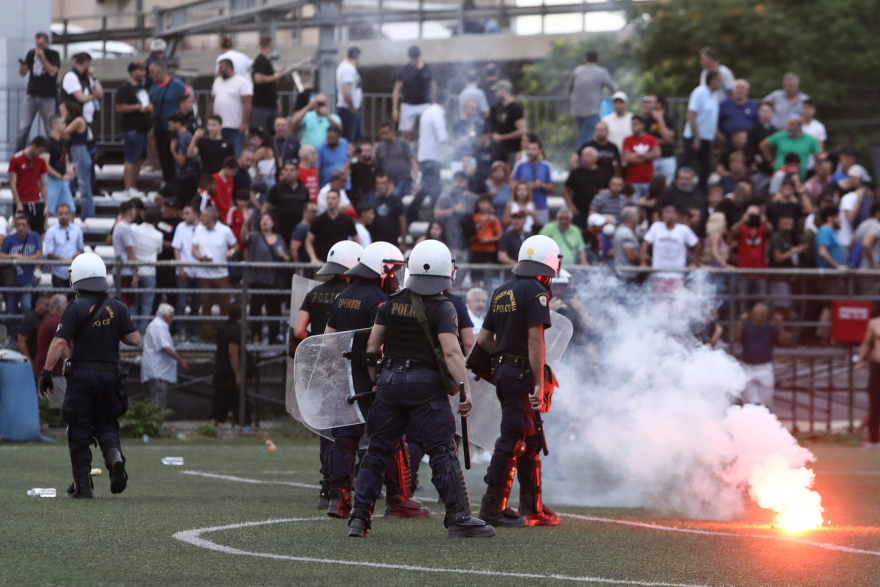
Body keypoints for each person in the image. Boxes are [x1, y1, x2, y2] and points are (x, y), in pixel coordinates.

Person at [346, 240, 492, 537]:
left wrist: (377, 378)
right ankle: (459, 519)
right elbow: (452, 353)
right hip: (426, 386)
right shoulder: (443, 306)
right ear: (444, 270)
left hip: (389, 383)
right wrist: (465, 391)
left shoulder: (391, 302)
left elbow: (372, 348)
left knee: (376, 452)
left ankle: (360, 518)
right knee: (442, 451)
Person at [323, 242, 429, 522]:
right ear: (382, 269)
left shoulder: (343, 296)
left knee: (344, 440)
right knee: (392, 438)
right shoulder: (379, 300)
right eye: (393, 270)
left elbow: (329, 340)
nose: (396, 277)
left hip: (345, 378)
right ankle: (398, 499)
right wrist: (375, 379)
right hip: (371, 381)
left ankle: (338, 498)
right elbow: (378, 346)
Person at [472, 234, 562, 528]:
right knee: (514, 434)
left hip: (504, 372)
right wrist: (537, 382)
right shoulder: (536, 291)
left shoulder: (501, 290)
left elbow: (484, 340)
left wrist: (502, 363)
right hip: (521, 373)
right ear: (549, 261)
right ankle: (492, 509)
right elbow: (535, 340)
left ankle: (532, 507)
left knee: (532, 435)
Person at [39, 253, 141, 499]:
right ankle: (114, 457)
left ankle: (83, 486)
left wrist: (46, 371)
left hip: (82, 376)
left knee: (79, 427)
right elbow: (135, 340)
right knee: (106, 423)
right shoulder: (118, 306)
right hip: (110, 376)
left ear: (78, 277)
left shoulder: (75, 307)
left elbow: (59, 341)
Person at [291, 240, 363, 508]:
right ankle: (355, 484)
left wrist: (317, 345)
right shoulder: (353, 294)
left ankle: (327, 486)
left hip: (322, 367)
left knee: (327, 426)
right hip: (350, 369)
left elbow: (299, 331)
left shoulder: (315, 293)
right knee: (353, 427)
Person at [243, 212, 290, 343]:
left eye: (268, 219)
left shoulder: (279, 238)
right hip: (257, 279)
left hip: (273, 280)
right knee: (255, 309)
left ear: (273, 223)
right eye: (262, 219)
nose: (264, 221)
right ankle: (255, 337)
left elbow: (287, 257)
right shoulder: (255, 236)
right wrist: (245, 222)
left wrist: (284, 257)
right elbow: (244, 239)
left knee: (274, 310)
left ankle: (273, 337)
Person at [192, 206, 239, 337]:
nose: (200, 218)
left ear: (211, 218)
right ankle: (208, 334)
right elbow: (194, 249)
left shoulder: (224, 230)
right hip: (204, 274)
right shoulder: (198, 229)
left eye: (203, 216)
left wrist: (231, 251)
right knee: (206, 305)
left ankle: (224, 332)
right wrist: (201, 258)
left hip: (221, 273)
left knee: (224, 304)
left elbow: (236, 244)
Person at [641, 205, 701, 293]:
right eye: (664, 212)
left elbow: (697, 244)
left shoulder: (683, 230)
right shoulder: (656, 227)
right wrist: (643, 262)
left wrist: (694, 262)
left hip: (677, 275)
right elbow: (645, 243)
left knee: (678, 304)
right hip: (659, 275)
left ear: (676, 215)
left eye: (668, 212)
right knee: (660, 304)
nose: (665, 215)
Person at [736, 304, 786, 409]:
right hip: (748, 367)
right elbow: (737, 338)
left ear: (765, 316)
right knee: (748, 403)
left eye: (760, 315)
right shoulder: (747, 326)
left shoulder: (771, 327)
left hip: (765, 368)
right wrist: (741, 322)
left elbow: (783, 342)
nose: (757, 318)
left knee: (766, 402)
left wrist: (780, 325)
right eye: (755, 314)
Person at [16, 32, 60, 152]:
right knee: (23, 127)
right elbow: (23, 73)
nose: (39, 46)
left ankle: (52, 154)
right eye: (37, 43)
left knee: (50, 128)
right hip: (31, 95)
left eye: (41, 43)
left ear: (47, 43)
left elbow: (52, 72)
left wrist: (42, 58)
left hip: (48, 96)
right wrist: (22, 68)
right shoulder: (31, 53)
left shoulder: (53, 54)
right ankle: (18, 155)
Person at [565, 50, 617, 151]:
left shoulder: (577, 71)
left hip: (576, 110)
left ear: (585, 60)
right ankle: (582, 162)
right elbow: (614, 88)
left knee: (581, 136)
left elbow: (568, 88)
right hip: (591, 111)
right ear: (597, 61)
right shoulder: (601, 72)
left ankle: (580, 159)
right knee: (586, 139)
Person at [1, 214, 42, 340]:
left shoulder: (34, 236)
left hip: (27, 278)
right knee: (11, 309)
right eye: (18, 225)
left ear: (28, 226)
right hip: (12, 280)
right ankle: (13, 336)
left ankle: (25, 335)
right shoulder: (10, 238)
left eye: (23, 225)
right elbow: (1, 254)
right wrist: (14, 257)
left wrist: (24, 258)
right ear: (15, 225)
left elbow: (39, 254)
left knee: (26, 306)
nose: (21, 227)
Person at [683, 70, 723, 193]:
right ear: (712, 81)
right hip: (695, 136)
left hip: (707, 138)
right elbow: (691, 115)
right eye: (719, 80)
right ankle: (682, 188)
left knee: (706, 167)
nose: (721, 84)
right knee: (687, 164)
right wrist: (696, 137)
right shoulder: (699, 93)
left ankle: (700, 191)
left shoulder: (714, 95)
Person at [148, 61, 189, 183]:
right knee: (163, 158)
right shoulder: (153, 88)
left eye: (151, 72)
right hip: (159, 128)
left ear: (159, 71)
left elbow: (187, 104)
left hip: (173, 130)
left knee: (173, 157)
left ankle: (176, 183)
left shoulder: (178, 85)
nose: (149, 75)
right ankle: (168, 182)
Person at [142, 304, 188, 410]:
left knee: (154, 400)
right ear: (164, 316)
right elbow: (165, 347)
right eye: (171, 316)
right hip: (158, 371)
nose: (172, 320)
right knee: (157, 401)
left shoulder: (157, 325)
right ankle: (156, 424)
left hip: (157, 370)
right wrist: (180, 360)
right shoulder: (159, 326)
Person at [211, 302, 251, 425]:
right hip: (229, 373)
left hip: (220, 371)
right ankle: (245, 429)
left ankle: (210, 428)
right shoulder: (236, 331)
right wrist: (238, 375)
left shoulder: (223, 329)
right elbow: (232, 352)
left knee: (218, 406)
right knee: (240, 405)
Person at [115, 62, 152, 195]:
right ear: (133, 72)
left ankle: (133, 186)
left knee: (140, 158)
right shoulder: (125, 88)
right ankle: (127, 187)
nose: (144, 73)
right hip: (131, 128)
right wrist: (137, 107)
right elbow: (119, 107)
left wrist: (149, 108)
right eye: (141, 71)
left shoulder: (142, 88)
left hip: (143, 128)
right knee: (131, 158)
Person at [731, 205, 773, 315]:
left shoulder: (763, 229)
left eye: (755, 215)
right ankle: (744, 322)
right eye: (751, 215)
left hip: (760, 272)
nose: (753, 217)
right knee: (743, 301)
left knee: (761, 301)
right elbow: (733, 231)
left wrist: (765, 221)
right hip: (743, 272)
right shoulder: (742, 228)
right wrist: (742, 221)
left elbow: (771, 231)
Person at [414, 90, 450, 217]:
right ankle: (435, 220)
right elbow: (442, 138)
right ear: (446, 102)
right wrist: (452, 145)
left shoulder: (428, 111)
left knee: (425, 191)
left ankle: (408, 217)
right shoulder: (437, 114)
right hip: (432, 159)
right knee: (435, 193)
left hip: (426, 158)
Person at [131, 208, 165, 333]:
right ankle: (142, 331)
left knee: (134, 302)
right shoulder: (159, 235)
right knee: (147, 304)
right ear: (156, 221)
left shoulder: (134, 228)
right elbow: (159, 251)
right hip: (149, 273)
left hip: (135, 271)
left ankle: (132, 330)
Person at [760, 115, 821, 183]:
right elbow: (763, 145)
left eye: (792, 125)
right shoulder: (781, 136)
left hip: (800, 178)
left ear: (799, 126)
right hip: (779, 178)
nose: (789, 127)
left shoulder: (809, 139)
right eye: (788, 124)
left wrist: (817, 169)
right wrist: (770, 161)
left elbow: (818, 156)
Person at [210, 59, 253, 157]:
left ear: (230, 67)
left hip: (235, 126)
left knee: (234, 155)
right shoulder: (217, 82)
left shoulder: (241, 81)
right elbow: (212, 102)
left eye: (222, 67)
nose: (220, 70)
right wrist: (211, 119)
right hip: (219, 127)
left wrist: (244, 123)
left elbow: (247, 103)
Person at [392, 45, 435, 140]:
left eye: (415, 58)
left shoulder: (427, 68)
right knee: (406, 133)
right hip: (408, 104)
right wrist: (395, 109)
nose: (414, 60)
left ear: (419, 57)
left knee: (427, 129)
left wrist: (433, 103)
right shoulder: (404, 70)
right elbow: (396, 90)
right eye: (412, 58)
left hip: (424, 104)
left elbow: (433, 87)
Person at [263, 160, 310, 246]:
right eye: (286, 170)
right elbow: (266, 206)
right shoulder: (277, 188)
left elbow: (307, 208)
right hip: (280, 229)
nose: (288, 173)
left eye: (292, 170)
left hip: (297, 229)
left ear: (297, 172)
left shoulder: (303, 189)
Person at [171, 205, 201, 340]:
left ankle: (191, 334)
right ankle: (180, 331)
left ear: (195, 214)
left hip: (200, 273)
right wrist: (181, 268)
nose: (184, 216)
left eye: (187, 213)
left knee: (196, 304)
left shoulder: (202, 228)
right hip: (184, 272)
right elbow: (176, 248)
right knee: (181, 303)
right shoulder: (180, 227)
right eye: (183, 213)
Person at [8, 136, 49, 233]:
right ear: (34, 146)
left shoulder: (41, 161)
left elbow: (43, 183)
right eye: (39, 150)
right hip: (23, 202)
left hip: (36, 201)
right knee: (22, 232)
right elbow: (12, 183)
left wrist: (46, 205)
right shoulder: (16, 159)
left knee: (40, 232)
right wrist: (18, 204)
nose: (40, 153)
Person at [306, 190, 359, 262]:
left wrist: (353, 258)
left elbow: (356, 241)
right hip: (322, 264)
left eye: (333, 198)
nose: (330, 201)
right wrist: (314, 258)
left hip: (341, 263)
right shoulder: (318, 220)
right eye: (328, 198)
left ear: (339, 201)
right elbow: (308, 241)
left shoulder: (347, 221)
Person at [33, 295, 68, 406]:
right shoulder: (56, 323)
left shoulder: (48, 319)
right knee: (62, 404)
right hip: (54, 373)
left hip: (47, 370)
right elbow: (63, 350)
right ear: (59, 308)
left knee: (48, 405)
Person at [511, 137, 554, 226]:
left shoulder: (547, 166)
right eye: (528, 149)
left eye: (534, 149)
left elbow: (551, 188)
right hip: (522, 206)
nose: (530, 152)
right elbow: (511, 185)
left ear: (540, 150)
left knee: (541, 232)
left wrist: (542, 185)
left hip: (541, 206)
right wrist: (526, 186)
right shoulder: (520, 165)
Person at [434, 172, 478, 254]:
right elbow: (436, 214)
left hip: (468, 239)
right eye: (456, 181)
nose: (458, 184)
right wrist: (453, 210)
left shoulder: (473, 198)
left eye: (461, 181)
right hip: (448, 235)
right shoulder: (445, 196)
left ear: (466, 182)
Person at [44, 204, 84, 290]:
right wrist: (62, 260)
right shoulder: (51, 231)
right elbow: (49, 253)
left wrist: (78, 254)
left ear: (69, 214)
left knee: (74, 300)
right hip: (58, 273)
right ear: (57, 214)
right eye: (61, 213)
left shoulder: (77, 230)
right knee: (59, 301)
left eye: (66, 214)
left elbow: (81, 249)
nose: (63, 216)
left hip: (74, 273)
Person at [42, 115, 77, 216]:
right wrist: (60, 176)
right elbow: (45, 165)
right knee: (47, 210)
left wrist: (69, 168)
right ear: (55, 125)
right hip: (52, 180)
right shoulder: (49, 143)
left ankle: (70, 231)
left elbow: (65, 158)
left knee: (71, 210)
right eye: (62, 123)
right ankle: (44, 231)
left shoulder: (63, 142)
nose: (65, 125)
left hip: (62, 181)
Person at [60, 52, 103, 132]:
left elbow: (100, 93)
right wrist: (93, 96)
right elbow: (81, 98)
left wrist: (94, 77)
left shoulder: (88, 77)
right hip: (76, 119)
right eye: (89, 64)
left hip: (89, 120)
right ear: (85, 63)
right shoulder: (70, 76)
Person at [375, 122, 419, 199]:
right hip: (387, 182)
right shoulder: (380, 148)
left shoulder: (402, 143)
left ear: (392, 132)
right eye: (382, 134)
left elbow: (412, 160)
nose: (384, 136)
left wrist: (416, 181)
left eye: (386, 133)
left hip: (403, 179)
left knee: (395, 196)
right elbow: (379, 167)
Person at [856, 311, 880, 448]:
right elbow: (866, 343)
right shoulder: (875, 323)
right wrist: (859, 360)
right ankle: (874, 438)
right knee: (875, 402)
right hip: (878, 366)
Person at [365, 173, 407, 251]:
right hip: (374, 243)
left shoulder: (396, 201)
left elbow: (403, 221)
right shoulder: (371, 200)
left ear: (389, 184)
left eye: (383, 183)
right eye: (378, 183)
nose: (381, 186)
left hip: (392, 243)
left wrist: (403, 242)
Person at [622, 116, 660, 200]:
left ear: (642, 125)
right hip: (633, 181)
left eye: (636, 124)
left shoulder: (651, 138)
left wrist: (636, 156)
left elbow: (657, 153)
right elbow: (627, 158)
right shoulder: (627, 140)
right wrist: (647, 156)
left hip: (649, 181)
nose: (633, 127)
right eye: (632, 124)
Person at [641, 95, 677, 183]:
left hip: (667, 158)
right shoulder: (645, 120)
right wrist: (663, 141)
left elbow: (668, 138)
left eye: (650, 102)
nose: (647, 104)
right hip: (651, 159)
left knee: (667, 185)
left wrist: (660, 119)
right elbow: (645, 140)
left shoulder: (669, 119)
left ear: (659, 104)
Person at [250, 34, 282, 132]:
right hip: (262, 106)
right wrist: (274, 76)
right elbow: (258, 78)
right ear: (271, 45)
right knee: (261, 133)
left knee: (270, 133)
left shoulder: (265, 60)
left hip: (269, 105)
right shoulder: (261, 59)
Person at [489, 80, 525, 164]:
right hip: (498, 150)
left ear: (504, 90)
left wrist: (501, 137)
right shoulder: (497, 107)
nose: (495, 93)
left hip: (512, 150)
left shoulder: (515, 109)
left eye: (497, 90)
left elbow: (522, 131)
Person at [470, 195, 503, 287]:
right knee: (475, 276)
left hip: (489, 251)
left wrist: (489, 240)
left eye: (486, 202)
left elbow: (499, 234)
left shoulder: (494, 219)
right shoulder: (474, 218)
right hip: (476, 250)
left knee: (488, 276)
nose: (483, 205)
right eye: (481, 202)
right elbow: (469, 232)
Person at [167, 113, 200, 200]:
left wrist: (173, 151)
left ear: (178, 123)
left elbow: (182, 160)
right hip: (184, 176)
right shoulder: (183, 137)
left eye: (170, 125)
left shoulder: (184, 138)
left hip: (186, 177)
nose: (169, 128)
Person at [336, 46, 364, 142]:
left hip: (351, 109)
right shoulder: (348, 69)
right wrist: (352, 107)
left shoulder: (345, 67)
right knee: (349, 141)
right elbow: (346, 90)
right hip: (349, 110)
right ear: (358, 57)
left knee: (356, 139)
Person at [18, 294, 50, 369]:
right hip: (33, 359)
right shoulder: (30, 319)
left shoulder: (47, 318)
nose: (48, 309)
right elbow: (21, 342)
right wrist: (30, 362)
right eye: (46, 305)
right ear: (39, 304)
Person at [349, 143, 378, 207]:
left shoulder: (377, 168)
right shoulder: (353, 167)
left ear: (372, 152)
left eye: (367, 150)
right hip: (357, 200)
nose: (364, 153)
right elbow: (345, 174)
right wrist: (350, 156)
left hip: (374, 200)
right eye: (362, 151)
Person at [613, 206, 641, 271]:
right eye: (637, 215)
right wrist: (645, 260)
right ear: (631, 218)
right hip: (627, 274)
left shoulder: (623, 229)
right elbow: (630, 256)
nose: (639, 218)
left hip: (625, 272)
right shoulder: (626, 232)